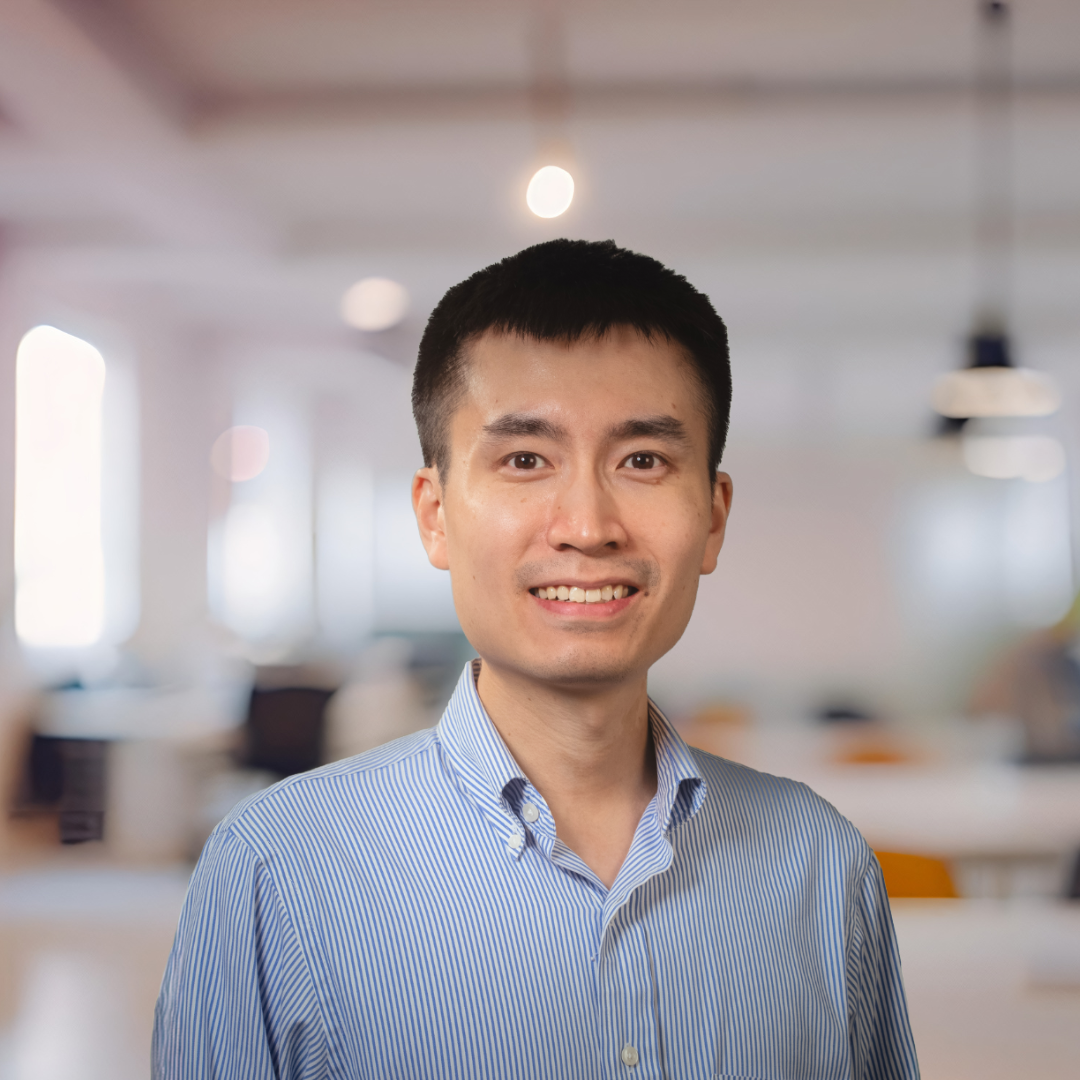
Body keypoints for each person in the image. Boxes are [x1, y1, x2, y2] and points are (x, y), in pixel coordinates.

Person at [154, 239, 919, 1079]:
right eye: (525, 460)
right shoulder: (276, 871)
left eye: (643, 461)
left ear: (712, 517)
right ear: (434, 514)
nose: (587, 525)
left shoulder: (819, 863)